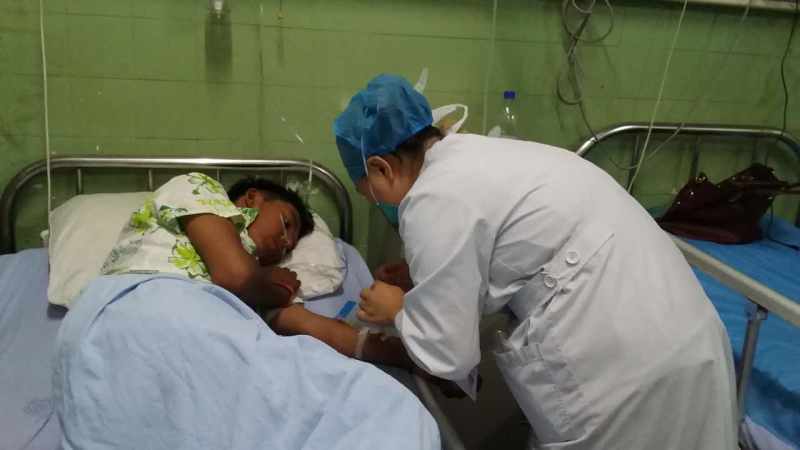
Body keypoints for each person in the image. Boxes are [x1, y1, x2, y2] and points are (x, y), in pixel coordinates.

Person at [333, 74, 738, 449]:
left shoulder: (431, 198)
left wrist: (398, 310)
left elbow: (447, 355)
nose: (377, 204)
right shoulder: (477, 157)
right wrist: (424, 276)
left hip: (627, 371)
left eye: (369, 193)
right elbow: (504, 245)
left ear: (381, 167)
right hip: (682, 333)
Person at [101, 172, 462, 387]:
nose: (285, 243)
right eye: (285, 223)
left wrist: (415, 359)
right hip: (132, 318)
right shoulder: (198, 190)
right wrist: (273, 284)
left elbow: (322, 330)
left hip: (197, 354)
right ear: (251, 198)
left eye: (291, 244)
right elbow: (235, 276)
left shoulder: (261, 275)